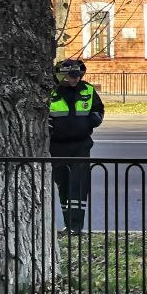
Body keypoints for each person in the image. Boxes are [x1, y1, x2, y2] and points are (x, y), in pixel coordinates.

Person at [49, 58, 104, 234]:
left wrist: (93, 121)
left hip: (81, 145)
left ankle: (76, 226)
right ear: (61, 76)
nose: (76, 79)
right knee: (63, 185)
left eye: (78, 76)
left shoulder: (87, 89)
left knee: (79, 186)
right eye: (73, 76)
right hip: (57, 147)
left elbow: (98, 109)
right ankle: (68, 224)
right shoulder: (50, 91)